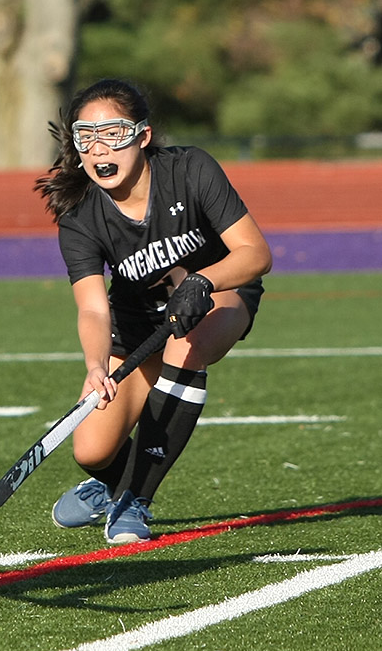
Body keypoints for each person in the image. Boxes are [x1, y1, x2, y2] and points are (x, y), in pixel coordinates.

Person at [34, 78, 271, 544]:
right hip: (138, 321)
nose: (99, 148)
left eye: (113, 133)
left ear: (142, 136)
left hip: (219, 295)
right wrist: (96, 366)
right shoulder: (79, 215)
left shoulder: (190, 169)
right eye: (86, 136)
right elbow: (93, 308)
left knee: (187, 345)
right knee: (91, 450)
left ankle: (134, 499)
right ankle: (111, 483)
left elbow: (255, 253)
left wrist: (203, 281)